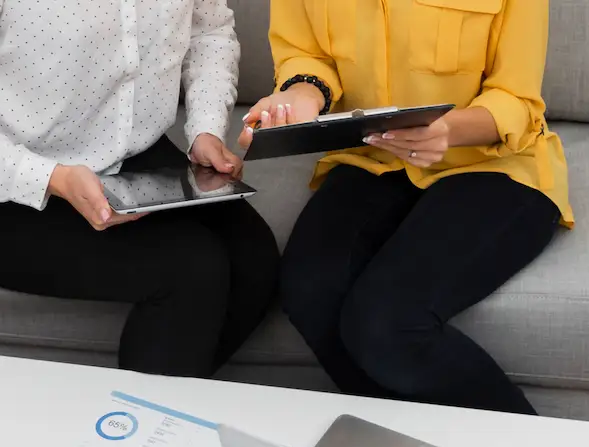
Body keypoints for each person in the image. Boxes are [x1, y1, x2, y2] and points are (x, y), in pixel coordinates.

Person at [0, 0, 279, 379]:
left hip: (130, 156)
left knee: (255, 260)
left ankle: (150, 420)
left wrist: (206, 126)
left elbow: (209, 31)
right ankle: (124, 437)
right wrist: (50, 177)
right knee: (194, 268)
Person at [240, 0, 571, 414]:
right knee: (310, 292)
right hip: (373, 158)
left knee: (386, 324)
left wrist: (446, 130)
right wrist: (301, 99)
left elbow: (517, 100)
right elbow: (308, 57)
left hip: (493, 163)